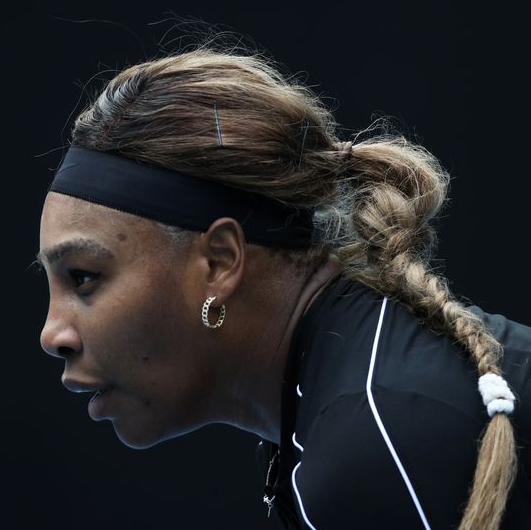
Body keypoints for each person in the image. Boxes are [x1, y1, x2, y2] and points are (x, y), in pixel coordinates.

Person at [36, 46, 530, 529]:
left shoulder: (376, 441)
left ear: (220, 261)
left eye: (84, 277)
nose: (52, 334)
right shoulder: (348, 394)